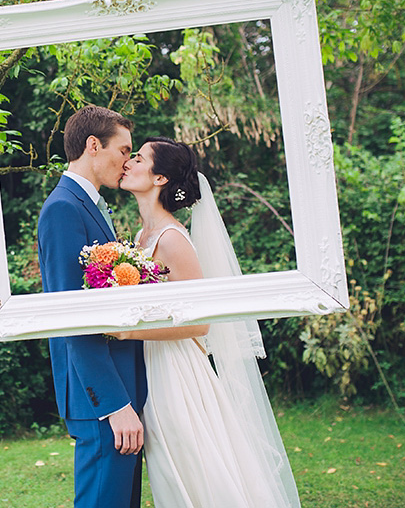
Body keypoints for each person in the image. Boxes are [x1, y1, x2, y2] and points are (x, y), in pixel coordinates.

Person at [114, 136, 301, 508]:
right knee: (173, 470)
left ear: (160, 178)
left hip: (178, 371)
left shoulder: (172, 240)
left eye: (139, 158)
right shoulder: (142, 237)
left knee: (193, 465)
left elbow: (201, 325)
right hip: (154, 366)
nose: (129, 162)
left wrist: (129, 332)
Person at [37, 105, 148, 508]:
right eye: (124, 150)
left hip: (119, 385)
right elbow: (72, 316)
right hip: (100, 396)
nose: (127, 161)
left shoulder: (89, 205)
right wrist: (115, 405)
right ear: (93, 145)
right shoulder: (64, 209)